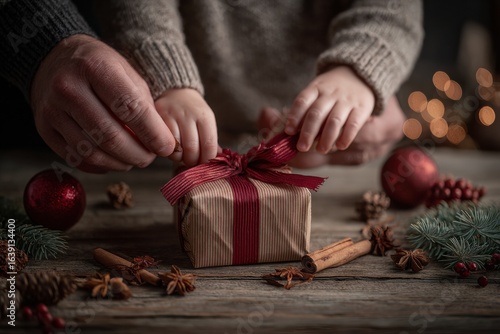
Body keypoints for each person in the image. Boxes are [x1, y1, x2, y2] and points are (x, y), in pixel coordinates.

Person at [0, 0, 423, 172]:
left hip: (319, 144)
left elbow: (391, 12)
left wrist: (360, 72)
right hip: (169, 149)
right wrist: (171, 83)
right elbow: (140, 10)